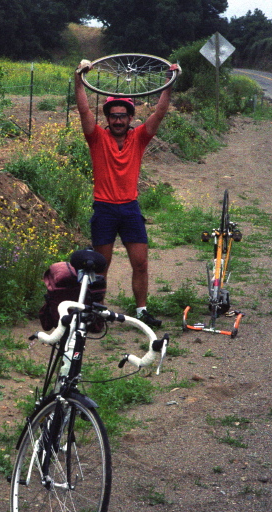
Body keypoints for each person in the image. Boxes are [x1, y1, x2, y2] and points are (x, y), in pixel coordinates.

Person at [74, 59, 180, 328]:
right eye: (113, 115)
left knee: (141, 263)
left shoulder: (139, 138)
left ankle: (142, 310)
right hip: (105, 209)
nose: (118, 120)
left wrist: (170, 82)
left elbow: (159, 113)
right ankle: (95, 312)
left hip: (130, 208)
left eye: (123, 115)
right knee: (101, 266)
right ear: (107, 118)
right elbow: (84, 110)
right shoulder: (96, 137)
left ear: (131, 118)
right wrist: (79, 78)